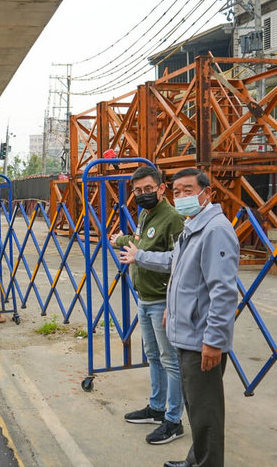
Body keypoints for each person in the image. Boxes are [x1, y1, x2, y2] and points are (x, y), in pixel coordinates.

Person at [120, 168, 239, 467]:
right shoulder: (193, 226)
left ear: (207, 193)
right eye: (178, 192)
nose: (182, 196)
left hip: (202, 340)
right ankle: (195, 461)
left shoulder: (216, 230)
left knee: (206, 412)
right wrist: (170, 311)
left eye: (189, 190)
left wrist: (214, 341)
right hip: (186, 334)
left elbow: (223, 293)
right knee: (197, 408)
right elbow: (176, 266)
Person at [111, 165, 186, 445]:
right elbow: (143, 243)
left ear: (161, 188)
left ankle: (173, 419)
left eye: (147, 190)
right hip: (144, 297)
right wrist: (123, 239)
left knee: (171, 361)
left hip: (162, 300)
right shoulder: (145, 214)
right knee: (153, 356)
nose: (142, 195)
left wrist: (171, 304)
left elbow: (177, 262)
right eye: (137, 191)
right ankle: (156, 407)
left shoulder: (174, 219)